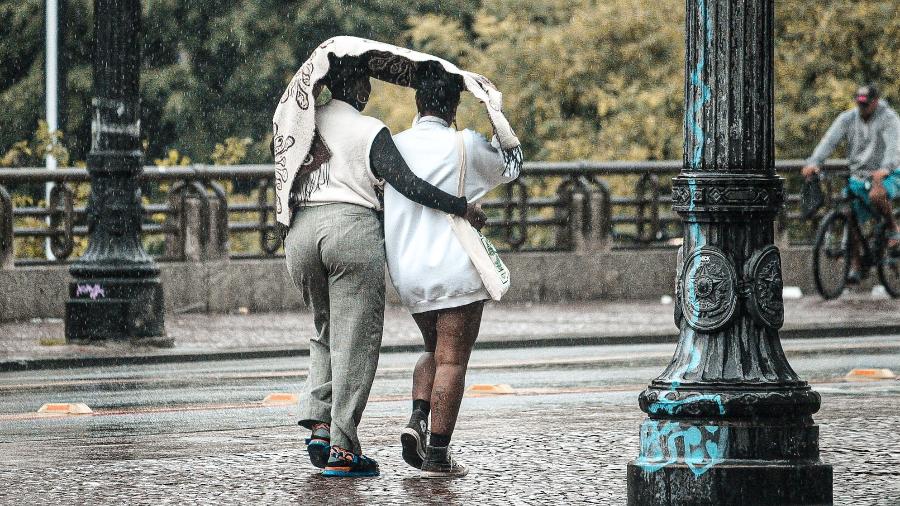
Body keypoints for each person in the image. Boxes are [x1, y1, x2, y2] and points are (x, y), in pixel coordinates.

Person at [282, 54, 486, 478]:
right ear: (358, 87)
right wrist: (460, 206)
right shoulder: (370, 129)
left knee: (325, 331)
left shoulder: (301, 122)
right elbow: (408, 184)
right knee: (355, 340)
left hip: (300, 233)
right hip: (348, 232)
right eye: (365, 83)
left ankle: (319, 423)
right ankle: (342, 447)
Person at [383, 64, 521, 478]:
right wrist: (495, 111)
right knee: (453, 361)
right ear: (454, 105)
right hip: (455, 268)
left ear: (417, 102)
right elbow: (512, 164)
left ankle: (417, 419)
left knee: (432, 350)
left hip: (409, 271)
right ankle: (439, 454)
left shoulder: (392, 146)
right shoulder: (464, 144)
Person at [802, 84, 900, 282]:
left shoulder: (889, 118)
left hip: (888, 172)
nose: (862, 108)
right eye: (859, 103)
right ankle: (856, 265)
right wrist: (814, 162)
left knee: (876, 195)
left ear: (875, 101)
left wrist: (885, 169)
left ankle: (893, 228)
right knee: (849, 213)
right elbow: (829, 141)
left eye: (866, 104)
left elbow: (894, 146)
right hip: (859, 174)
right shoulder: (848, 118)